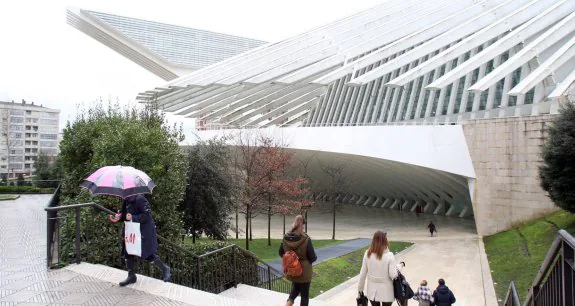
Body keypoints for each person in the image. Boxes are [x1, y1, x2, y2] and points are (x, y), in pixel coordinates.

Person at [109, 194, 171, 286]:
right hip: (131, 231)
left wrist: (133, 217)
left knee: (146, 254)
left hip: (143, 231)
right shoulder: (126, 199)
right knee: (128, 252)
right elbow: (125, 214)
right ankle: (131, 276)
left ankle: (165, 268)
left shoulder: (140, 199)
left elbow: (147, 215)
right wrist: (119, 216)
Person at [279, 215, 317, 306]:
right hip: (304, 271)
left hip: (292, 269)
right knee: (304, 295)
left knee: (295, 287)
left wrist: (291, 260)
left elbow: (281, 252)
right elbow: (312, 257)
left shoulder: (285, 238)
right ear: (302, 225)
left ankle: (288, 303)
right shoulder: (306, 239)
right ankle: (289, 302)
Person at [358, 231, 402, 306]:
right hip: (387, 292)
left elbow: (362, 274)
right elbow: (393, 275)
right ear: (385, 240)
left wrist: (360, 290)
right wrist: (400, 266)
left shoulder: (367, 254)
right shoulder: (389, 255)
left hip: (372, 292)